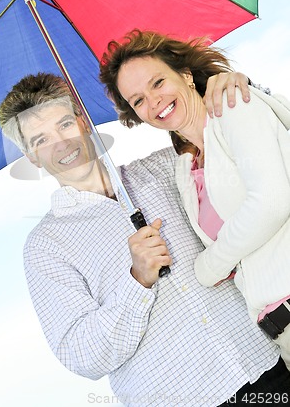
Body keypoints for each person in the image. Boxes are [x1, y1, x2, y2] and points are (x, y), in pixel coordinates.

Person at [0, 73, 290, 406]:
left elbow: (249, 167)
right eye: (40, 140)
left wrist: (227, 83)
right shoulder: (46, 247)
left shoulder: (167, 166)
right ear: (32, 158)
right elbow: (82, 355)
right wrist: (138, 281)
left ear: (83, 121)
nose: (61, 144)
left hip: (267, 368)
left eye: (64, 124)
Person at [99, 28, 290, 372]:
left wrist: (208, 267)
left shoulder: (234, 107)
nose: (153, 101)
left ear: (186, 75)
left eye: (157, 83)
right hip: (278, 331)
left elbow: (273, 202)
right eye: (138, 100)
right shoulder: (186, 170)